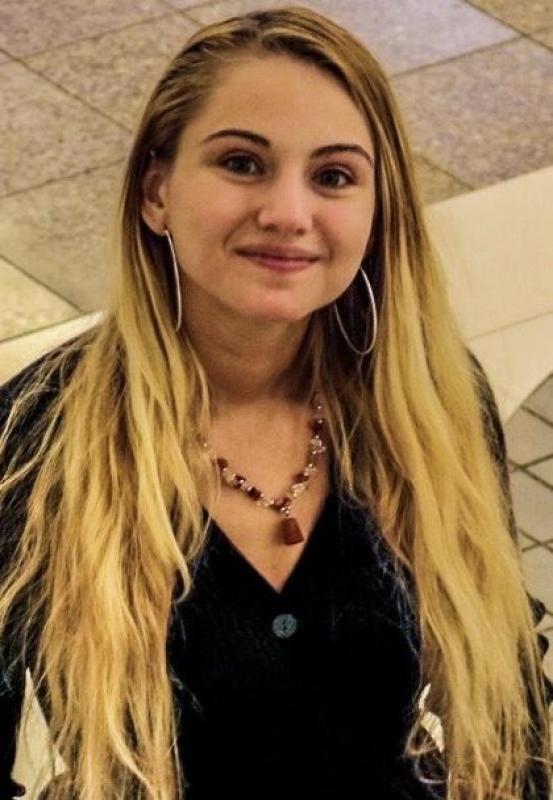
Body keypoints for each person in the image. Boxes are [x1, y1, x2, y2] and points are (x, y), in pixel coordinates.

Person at [0, 5, 552, 799]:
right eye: (241, 163)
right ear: (156, 192)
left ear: (377, 212)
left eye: (333, 176)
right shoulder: (36, 437)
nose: (288, 214)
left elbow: (506, 694)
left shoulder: (433, 401)